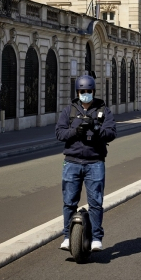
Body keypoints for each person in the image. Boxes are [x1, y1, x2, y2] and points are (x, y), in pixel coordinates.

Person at [56, 73, 116, 252]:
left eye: (88, 90)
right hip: (72, 162)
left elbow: (111, 133)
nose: (85, 93)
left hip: (95, 162)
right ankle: (67, 237)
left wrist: (96, 129)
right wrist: (76, 131)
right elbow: (59, 133)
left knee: (96, 203)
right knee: (69, 202)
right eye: (82, 91)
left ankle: (96, 238)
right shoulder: (69, 110)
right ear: (77, 91)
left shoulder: (103, 110)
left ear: (93, 91)